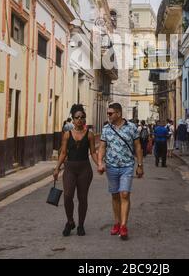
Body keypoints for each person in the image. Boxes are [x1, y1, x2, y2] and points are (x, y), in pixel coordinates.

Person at [98, 103, 144, 241]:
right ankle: (117, 222)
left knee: (124, 194)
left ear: (118, 113)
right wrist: (100, 163)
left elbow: (138, 146)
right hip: (111, 166)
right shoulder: (106, 129)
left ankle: (124, 226)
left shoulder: (132, 127)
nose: (108, 116)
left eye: (110, 113)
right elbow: (102, 147)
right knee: (115, 196)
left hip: (127, 166)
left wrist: (140, 165)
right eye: (108, 113)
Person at [53, 104, 98, 237]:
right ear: (72, 120)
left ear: (85, 119)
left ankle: (81, 225)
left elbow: (93, 152)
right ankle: (70, 221)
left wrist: (100, 164)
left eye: (82, 117)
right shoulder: (67, 135)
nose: (80, 119)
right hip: (70, 169)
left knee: (82, 197)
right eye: (77, 117)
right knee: (67, 196)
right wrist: (57, 168)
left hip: (85, 169)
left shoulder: (90, 135)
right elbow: (63, 153)